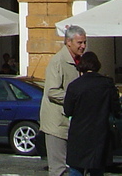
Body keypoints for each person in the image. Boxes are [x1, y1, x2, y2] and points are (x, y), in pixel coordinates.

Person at [63, 51, 120, 176]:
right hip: (100, 134)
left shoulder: (74, 86)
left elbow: (67, 110)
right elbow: (116, 108)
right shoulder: (107, 84)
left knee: (76, 169)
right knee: (97, 169)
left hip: (79, 134)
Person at [41, 25, 87, 176]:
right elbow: (52, 92)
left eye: (84, 42)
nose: (83, 46)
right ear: (68, 42)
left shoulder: (79, 61)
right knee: (58, 169)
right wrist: (76, 99)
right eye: (79, 43)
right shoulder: (58, 61)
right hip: (56, 123)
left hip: (70, 122)